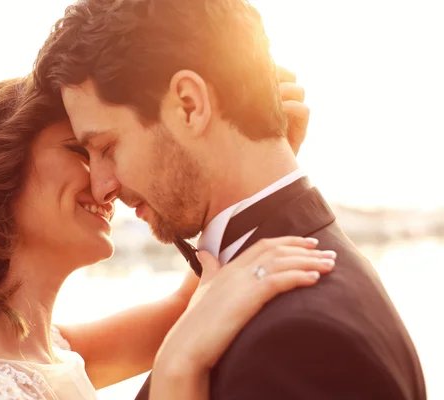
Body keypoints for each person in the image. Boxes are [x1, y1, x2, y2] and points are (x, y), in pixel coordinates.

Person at [0, 62, 323, 398]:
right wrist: (178, 369)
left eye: (109, 150)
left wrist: (248, 158)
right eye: (81, 151)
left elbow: (187, 307)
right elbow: (183, 333)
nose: (108, 183)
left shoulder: (52, 353)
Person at [34, 0, 427, 399]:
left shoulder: (300, 341)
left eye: (106, 147)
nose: (101, 187)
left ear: (189, 105)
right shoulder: (263, 278)